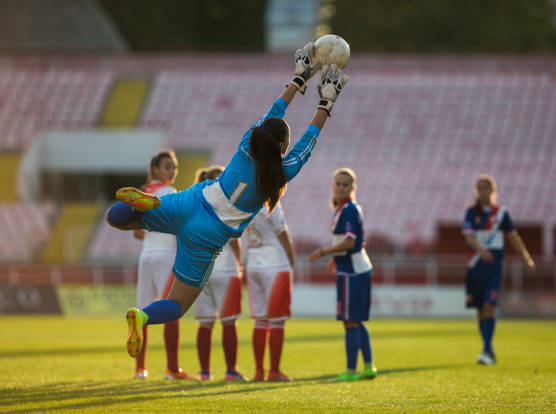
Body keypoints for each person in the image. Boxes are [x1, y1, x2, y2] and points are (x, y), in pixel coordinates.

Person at [105, 42, 349, 359]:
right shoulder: (282, 172)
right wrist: (327, 102)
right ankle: (143, 316)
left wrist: (298, 79)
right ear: (282, 146)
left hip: (192, 200)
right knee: (177, 305)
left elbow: (275, 111)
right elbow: (308, 141)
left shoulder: (247, 142)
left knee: (117, 218)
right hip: (207, 235)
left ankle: (144, 202)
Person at [131, 150, 196, 380]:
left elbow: (137, 233)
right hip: (166, 255)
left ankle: (140, 369)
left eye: (174, 167)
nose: (172, 171)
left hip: (146, 255)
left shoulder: (143, 193)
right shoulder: (170, 192)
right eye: (167, 166)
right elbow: (181, 227)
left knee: (141, 312)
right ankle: (172, 368)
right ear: (155, 169)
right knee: (171, 309)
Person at [308, 168, 376, 382]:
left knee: (349, 320)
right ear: (332, 185)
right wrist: (333, 258)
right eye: (338, 183)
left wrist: (322, 252)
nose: (340, 187)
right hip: (356, 267)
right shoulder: (346, 208)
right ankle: (368, 367)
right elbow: (345, 242)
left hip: (352, 271)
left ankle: (350, 370)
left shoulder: (348, 210)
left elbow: (349, 242)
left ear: (352, 188)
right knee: (356, 320)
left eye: (345, 184)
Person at [462, 174, 535, 365]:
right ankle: (488, 349)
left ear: (493, 190)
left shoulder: (501, 213)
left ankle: (487, 350)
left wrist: (526, 257)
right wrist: (482, 251)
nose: (483, 191)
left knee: (489, 306)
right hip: (475, 265)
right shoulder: (471, 212)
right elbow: (468, 237)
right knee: (479, 309)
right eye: (480, 187)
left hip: (494, 267)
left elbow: (513, 237)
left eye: (486, 187)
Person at [192, 166, 247, 381]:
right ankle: (230, 371)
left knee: (205, 323)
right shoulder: (229, 203)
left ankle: (205, 372)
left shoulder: (196, 204)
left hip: (202, 269)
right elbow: (234, 241)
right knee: (229, 322)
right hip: (226, 270)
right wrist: (240, 264)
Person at [245, 199, 295, 382]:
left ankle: (259, 371)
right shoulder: (271, 203)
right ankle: (274, 372)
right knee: (276, 321)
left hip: (253, 262)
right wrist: (291, 261)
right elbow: (282, 233)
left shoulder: (246, 202)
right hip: (274, 262)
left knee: (260, 320)